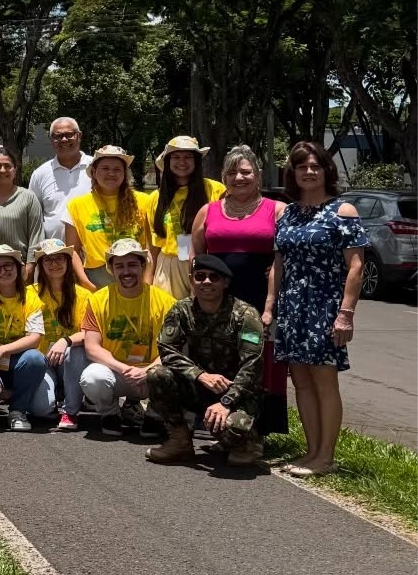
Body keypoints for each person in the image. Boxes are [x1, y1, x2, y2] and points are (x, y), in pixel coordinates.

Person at [269, 142, 367, 477]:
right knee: (301, 382)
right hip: (292, 307)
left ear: (327, 170)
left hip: (325, 306)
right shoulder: (287, 213)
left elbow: (356, 267)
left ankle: (326, 457)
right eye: (302, 167)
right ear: (293, 173)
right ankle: (311, 452)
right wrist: (270, 306)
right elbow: (278, 264)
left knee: (324, 381)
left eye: (315, 166)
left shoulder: (343, 211)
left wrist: (346, 314)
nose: (309, 172)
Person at [193, 145, 288, 437]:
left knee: (259, 360)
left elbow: (282, 259)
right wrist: (198, 295)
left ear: (257, 175)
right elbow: (196, 257)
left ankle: (255, 428)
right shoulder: (208, 211)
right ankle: (215, 423)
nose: (239, 177)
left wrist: (270, 305)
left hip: (260, 298)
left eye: (245, 171)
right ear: (224, 177)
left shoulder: (277, 210)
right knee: (219, 358)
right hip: (217, 300)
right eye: (232, 172)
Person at [145, 255, 266, 466]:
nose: (206, 282)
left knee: (235, 431)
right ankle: (180, 441)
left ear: (225, 283)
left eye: (214, 277)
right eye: (200, 276)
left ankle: (247, 442)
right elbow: (166, 348)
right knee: (157, 375)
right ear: (191, 280)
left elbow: (252, 365)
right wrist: (199, 375)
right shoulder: (182, 310)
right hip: (201, 386)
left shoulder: (245, 314)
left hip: (237, 393)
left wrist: (226, 402)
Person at [79, 239, 176, 437]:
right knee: (92, 377)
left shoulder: (166, 302)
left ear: (143, 266)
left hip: (151, 374)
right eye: (119, 266)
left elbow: (174, 349)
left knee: (173, 373)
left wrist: (147, 371)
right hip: (117, 371)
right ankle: (110, 413)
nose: (126, 271)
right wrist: (125, 369)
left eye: (132, 265)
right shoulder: (97, 300)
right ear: (111, 270)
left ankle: (154, 415)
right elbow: (92, 348)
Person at [0, 245, 51, 431]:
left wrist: (2, 349)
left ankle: (18, 411)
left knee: (36, 359)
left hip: (17, 361)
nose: (3, 271)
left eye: (8, 265)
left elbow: (35, 338)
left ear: (18, 267)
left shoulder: (31, 297)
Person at [63, 145, 153, 290]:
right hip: (96, 278)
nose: (111, 173)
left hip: (136, 275)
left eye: (117, 169)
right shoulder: (76, 206)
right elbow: (72, 250)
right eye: (105, 168)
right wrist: (86, 282)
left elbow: (152, 246)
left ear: (125, 173)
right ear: (94, 172)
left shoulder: (145, 201)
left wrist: (147, 281)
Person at [149, 136, 225, 299]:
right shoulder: (156, 197)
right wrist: (148, 279)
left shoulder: (216, 189)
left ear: (196, 160)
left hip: (206, 264)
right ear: (167, 161)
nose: (182, 162)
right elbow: (153, 245)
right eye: (176, 157)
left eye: (188, 156)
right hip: (169, 266)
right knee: (170, 312)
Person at [31, 238, 92, 432]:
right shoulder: (29, 293)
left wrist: (65, 341)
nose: (54, 264)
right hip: (42, 360)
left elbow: (90, 333)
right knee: (41, 409)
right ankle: (58, 390)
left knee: (77, 351)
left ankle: (70, 411)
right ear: (41, 265)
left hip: (69, 360)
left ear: (68, 262)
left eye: (59, 258)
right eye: (48, 260)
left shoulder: (84, 295)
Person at [0, 146, 44, 281]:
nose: (2, 170)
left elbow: (36, 236)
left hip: (20, 270)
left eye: (7, 166)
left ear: (15, 170)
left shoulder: (28, 197)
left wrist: (29, 269)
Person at [28, 117, 92, 240]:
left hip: (93, 248)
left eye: (69, 135)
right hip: (54, 250)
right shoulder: (40, 174)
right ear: (51, 140)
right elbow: (33, 216)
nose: (64, 140)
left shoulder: (97, 168)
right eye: (58, 136)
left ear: (79, 136)